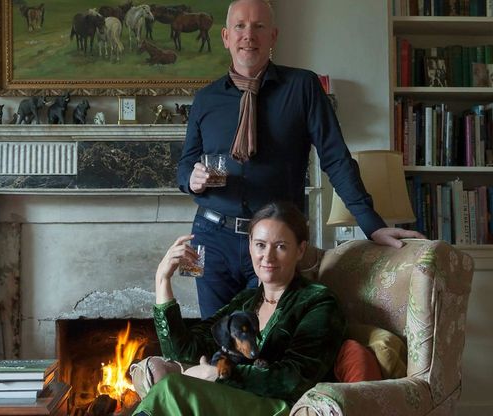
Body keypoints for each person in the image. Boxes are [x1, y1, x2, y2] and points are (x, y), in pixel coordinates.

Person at [177, 0, 424, 318]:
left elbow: (336, 159)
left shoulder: (303, 86)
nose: (248, 35)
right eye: (240, 26)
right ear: (226, 37)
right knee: (214, 335)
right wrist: (191, 178)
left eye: (259, 26)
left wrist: (372, 225)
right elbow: (185, 164)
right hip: (209, 238)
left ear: (273, 36)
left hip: (275, 242)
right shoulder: (205, 98)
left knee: (270, 336)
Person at [131, 201, 346, 416]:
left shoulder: (318, 301)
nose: (268, 256)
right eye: (260, 245)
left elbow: (294, 379)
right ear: (250, 245)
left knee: (172, 389)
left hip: (280, 407)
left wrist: (218, 374)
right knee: (174, 391)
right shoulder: (246, 301)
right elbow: (183, 352)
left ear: (300, 250)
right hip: (233, 400)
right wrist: (162, 279)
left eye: (280, 246)